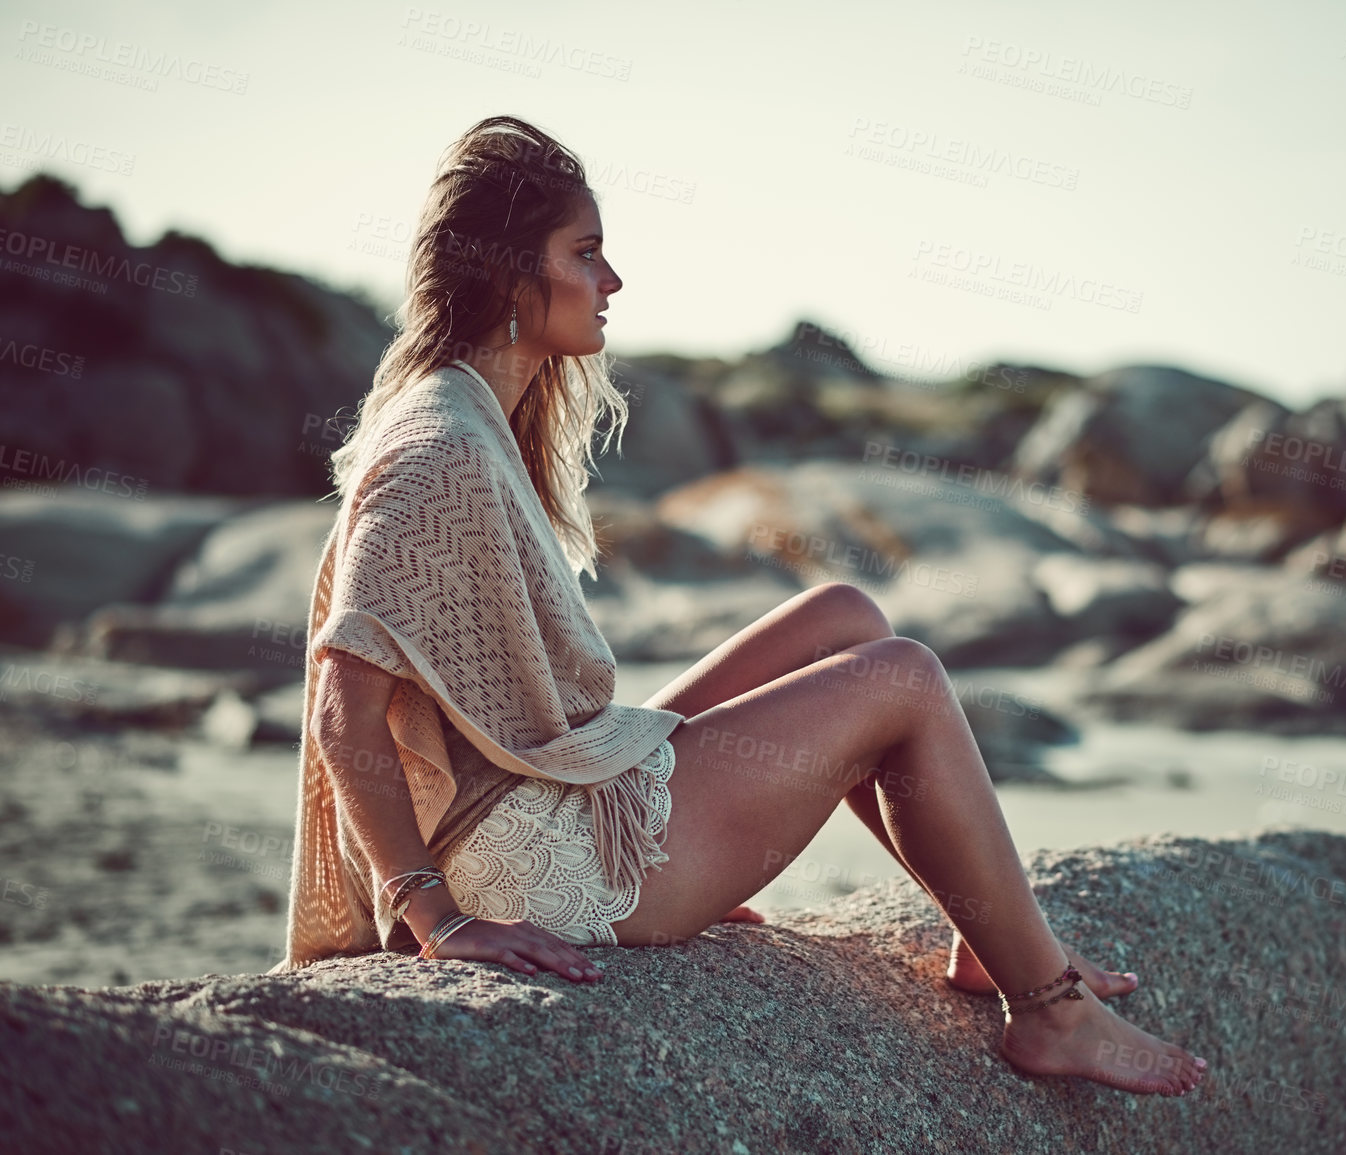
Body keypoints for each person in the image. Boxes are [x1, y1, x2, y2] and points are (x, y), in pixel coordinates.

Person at [300, 114, 1207, 1097]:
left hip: (551, 791)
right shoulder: (438, 443)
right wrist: (436, 918)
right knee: (904, 679)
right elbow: (341, 704)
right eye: (587, 254)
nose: (613, 283)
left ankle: (986, 937)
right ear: (509, 272)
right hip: (532, 863)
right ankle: (1052, 1009)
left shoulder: (477, 414)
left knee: (845, 616)